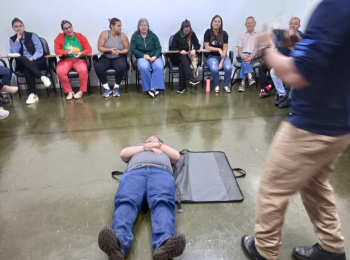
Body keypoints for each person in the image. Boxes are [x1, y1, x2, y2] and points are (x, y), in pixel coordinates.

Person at [241, 1, 350, 260]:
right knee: (315, 185)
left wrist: (268, 50)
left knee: (272, 188)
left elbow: (298, 75)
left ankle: (264, 250)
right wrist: (296, 44)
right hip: (338, 123)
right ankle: (332, 248)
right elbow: (328, 58)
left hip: (311, 124)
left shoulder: (334, 7)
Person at [98, 136, 186, 260]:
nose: (151, 138)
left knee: (162, 203)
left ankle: (164, 245)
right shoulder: (138, 147)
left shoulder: (164, 149)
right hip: (135, 172)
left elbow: (176, 157)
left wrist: (158, 145)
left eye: (155, 138)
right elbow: (123, 154)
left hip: (161, 172)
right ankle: (118, 245)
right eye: (149, 139)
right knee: (126, 201)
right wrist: (144, 148)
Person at [9, 18, 51, 105]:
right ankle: (42, 77)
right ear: (13, 28)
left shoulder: (32, 35)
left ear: (23, 26)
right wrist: (17, 39)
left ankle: (33, 94)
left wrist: (32, 58)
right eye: (16, 27)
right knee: (21, 58)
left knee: (27, 67)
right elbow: (14, 53)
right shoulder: (12, 39)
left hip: (37, 61)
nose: (19, 28)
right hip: (23, 62)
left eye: (20, 26)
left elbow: (40, 50)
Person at [54, 20, 92, 100]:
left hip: (79, 60)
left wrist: (82, 53)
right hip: (65, 60)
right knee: (60, 71)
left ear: (72, 27)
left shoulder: (80, 36)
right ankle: (69, 91)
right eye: (66, 28)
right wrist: (67, 52)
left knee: (83, 70)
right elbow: (56, 50)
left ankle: (81, 91)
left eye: (70, 27)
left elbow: (89, 49)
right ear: (63, 30)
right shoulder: (60, 37)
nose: (69, 30)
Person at [95, 18, 129, 98]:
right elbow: (100, 47)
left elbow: (126, 49)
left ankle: (116, 87)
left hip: (118, 57)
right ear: (112, 26)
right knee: (98, 67)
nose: (120, 28)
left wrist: (119, 52)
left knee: (121, 67)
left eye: (121, 26)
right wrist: (109, 50)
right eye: (118, 26)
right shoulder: (104, 34)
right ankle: (106, 88)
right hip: (106, 56)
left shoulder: (123, 36)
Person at [130, 18, 165, 98]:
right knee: (144, 67)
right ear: (138, 27)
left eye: (145, 25)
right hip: (142, 57)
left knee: (159, 66)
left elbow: (158, 48)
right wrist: (143, 55)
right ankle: (152, 88)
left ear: (148, 26)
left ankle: (152, 88)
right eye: (141, 25)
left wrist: (155, 56)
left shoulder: (153, 35)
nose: (143, 27)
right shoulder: (135, 36)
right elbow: (133, 49)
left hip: (154, 56)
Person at [169, 19, 200, 94]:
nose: (187, 32)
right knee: (182, 57)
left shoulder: (192, 34)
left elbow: (197, 45)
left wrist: (194, 49)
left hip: (186, 58)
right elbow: (171, 48)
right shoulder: (177, 35)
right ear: (182, 29)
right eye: (185, 30)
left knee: (182, 64)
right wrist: (180, 51)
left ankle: (181, 88)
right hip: (176, 57)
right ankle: (191, 78)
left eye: (188, 30)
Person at [204, 15, 232, 93]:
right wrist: (218, 49)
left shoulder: (224, 34)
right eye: (215, 21)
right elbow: (207, 47)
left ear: (221, 24)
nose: (217, 23)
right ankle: (217, 85)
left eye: (219, 22)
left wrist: (221, 62)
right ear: (212, 23)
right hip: (211, 56)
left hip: (223, 57)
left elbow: (225, 49)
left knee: (228, 68)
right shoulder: (208, 32)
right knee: (214, 69)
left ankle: (225, 85)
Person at [236, 16, 258, 92]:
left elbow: (256, 48)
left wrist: (252, 56)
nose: (250, 24)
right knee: (244, 61)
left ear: (255, 24)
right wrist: (243, 56)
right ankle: (249, 76)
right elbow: (239, 49)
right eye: (248, 23)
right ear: (245, 25)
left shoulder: (258, 35)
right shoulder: (241, 34)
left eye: (251, 22)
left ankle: (242, 83)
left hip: (252, 56)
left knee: (243, 64)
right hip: (242, 55)